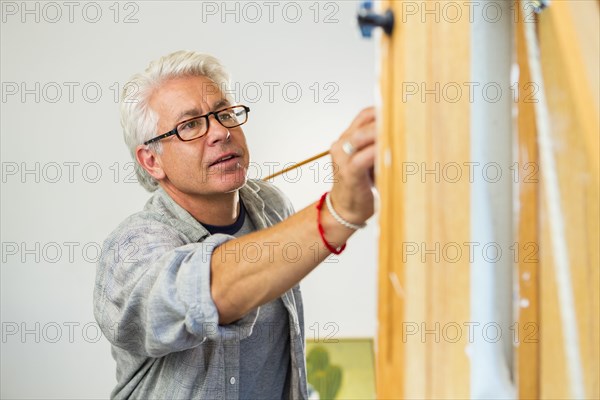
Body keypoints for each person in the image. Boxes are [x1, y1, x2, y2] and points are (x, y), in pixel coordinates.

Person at [93, 50, 376, 399]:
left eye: (224, 113)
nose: (219, 132)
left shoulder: (271, 205)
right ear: (151, 160)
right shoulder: (129, 249)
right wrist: (336, 213)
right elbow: (206, 292)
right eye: (190, 125)